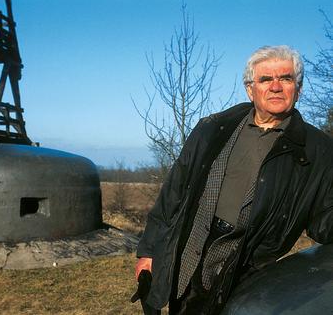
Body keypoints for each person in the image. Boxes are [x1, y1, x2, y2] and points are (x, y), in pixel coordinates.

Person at [134, 45, 333, 314]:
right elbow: (173, 193)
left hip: (245, 274)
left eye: (285, 78)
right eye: (265, 79)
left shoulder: (317, 150)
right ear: (250, 89)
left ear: (298, 88)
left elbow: (325, 220)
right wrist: (148, 251)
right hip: (187, 255)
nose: (275, 86)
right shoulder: (213, 127)